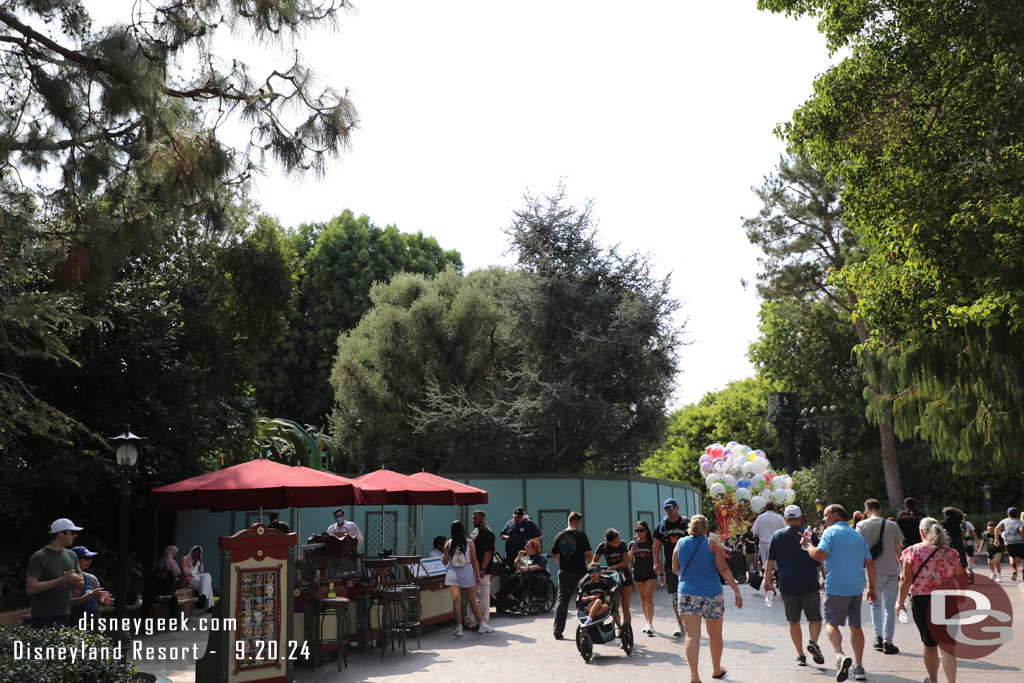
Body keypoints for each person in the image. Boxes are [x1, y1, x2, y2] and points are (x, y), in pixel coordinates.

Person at [806, 504, 877, 683]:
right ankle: (859, 667)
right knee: (855, 626)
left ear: (836, 515)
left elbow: (818, 555)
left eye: (826, 515)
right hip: (856, 586)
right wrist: (873, 587)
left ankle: (839, 655)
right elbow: (870, 563)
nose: (824, 519)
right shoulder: (857, 535)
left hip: (835, 586)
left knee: (831, 623)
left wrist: (808, 545)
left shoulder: (830, 532)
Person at [896, 517, 968, 683]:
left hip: (922, 601)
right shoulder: (951, 553)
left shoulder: (912, 551)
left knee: (929, 644)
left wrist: (900, 603)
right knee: (948, 647)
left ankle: (933, 680)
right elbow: (961, 576)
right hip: (946, 600)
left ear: (922, 532)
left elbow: (905, 580)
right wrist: (962, 595)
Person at [672, 514, 743, 683]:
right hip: (712, 594)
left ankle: (694, 675)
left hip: (687, 593)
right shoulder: (713, 544)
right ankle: (716, 669)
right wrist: (736, 590)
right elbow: (723, 569)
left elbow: (675, 569)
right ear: (705, 529)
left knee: (691, 636)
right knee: (715, 635)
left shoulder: (680, 543)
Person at [763, 505, 825, 668]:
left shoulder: (777, 535)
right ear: (801, 518)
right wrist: (825, 577)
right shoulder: (810, 534)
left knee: (793, 620)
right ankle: (813, 642)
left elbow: (770, 561)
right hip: (809, 582)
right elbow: (820, 558)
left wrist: (767, 580)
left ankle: (800, 655)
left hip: (787, 583)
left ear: (785, 519)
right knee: (815, 617)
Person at [855, 498, 905, 655]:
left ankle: (877, 637)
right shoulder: (892, 525)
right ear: (880, 509)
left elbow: (857, 549)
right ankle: (888, 641)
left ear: (866, 510)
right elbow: (899, 551)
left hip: (873, 573)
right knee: (889, 608)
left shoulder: (861, 526)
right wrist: (903, 570)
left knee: (875, 605)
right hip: (891, 571)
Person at [25, 518, 85, 628]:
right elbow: (31, 588)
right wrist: (62, 580)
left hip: (65, 614)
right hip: (42, 616)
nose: (75, 536)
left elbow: (81, 584)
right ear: (60, 533)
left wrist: (75, 580)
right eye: (72, 532)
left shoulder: (72, 556)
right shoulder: (39, 557)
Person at [443, 520, 494, 635]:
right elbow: (474, 561)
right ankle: (482, 624)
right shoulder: (469, 542)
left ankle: (459, 628)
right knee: (472, 600)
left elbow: (445, 561)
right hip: (466, 571)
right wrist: (477, 575)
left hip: (452, 573)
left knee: (457, 601)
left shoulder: (448, 543)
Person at [549, 510, 592, 640]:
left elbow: (554, 554)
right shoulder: (581, 536)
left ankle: (558, 630)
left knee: (562, 601)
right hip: (580, 573)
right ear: (577, 522)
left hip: (564, 572)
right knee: (585, 600)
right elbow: (588, 555)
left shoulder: (559, 535)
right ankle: (587, 627)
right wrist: (593, 566)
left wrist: (562, 564)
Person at [652, 498, 689, 636]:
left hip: (687, 565)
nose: (670, 510)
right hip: (671, 566)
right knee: (675, 595)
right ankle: (680, 624)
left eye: (672, 507)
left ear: (677, 507)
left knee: (689, 593)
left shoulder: (686, 523)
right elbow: (656, 545)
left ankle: (690, 622)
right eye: (667, 508)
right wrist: (656, 562)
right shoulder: (662, 526)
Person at [593, 528, 633, 624]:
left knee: (625, 606)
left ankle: (626, 629)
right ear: (608, 542)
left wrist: (612, 567)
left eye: (618, 540)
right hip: (612, 580)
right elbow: (594, 562)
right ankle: (618, 625)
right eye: (615, 542)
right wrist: (596, 571)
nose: (618, 543)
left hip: (624, 577)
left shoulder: (622, 544)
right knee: (614, 606)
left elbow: (625, 563)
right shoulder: (602, 547)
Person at [69, 546, 113, 628]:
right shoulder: (67, 579)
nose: (90, 560)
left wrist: (103, 599)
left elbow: (97, 599)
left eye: (90, 558)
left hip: (92, 624)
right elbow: (69, 603)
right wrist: (91, 595)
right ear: (76, 560)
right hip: (72, 625)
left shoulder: (92, 579)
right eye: (86, 558)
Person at [466, 509, 495, 628]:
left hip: (483, 571)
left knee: (483, 597)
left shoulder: (488, 534)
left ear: (482, 519)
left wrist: (482, 569)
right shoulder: (475, 532)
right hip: (472, 569)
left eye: (475, 518)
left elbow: (488, 553)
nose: (473, 520)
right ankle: (470, 621)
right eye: (473, 518)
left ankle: (484, 622)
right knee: (472, 597)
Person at [630, 520, 658, 636]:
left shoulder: (651, 543)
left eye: (641, 530)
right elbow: (629, 560)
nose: (639, 532)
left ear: (646, 531)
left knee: (648, 596)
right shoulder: (633, 543)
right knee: (642, 598)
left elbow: (656, 557)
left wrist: (660, 572)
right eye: (637, 530)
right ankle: (647, 622)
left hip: (650, 574)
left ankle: (650, 624)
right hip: (638, 574)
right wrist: (631, 553)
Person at [501, 506, 541, 571]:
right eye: (515, 517)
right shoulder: (510, 523)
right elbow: (502, 534)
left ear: (523, 516)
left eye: (519, 517)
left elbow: (539, 536)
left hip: (524, 555)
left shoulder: (529, 523)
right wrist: (505, 537)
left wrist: (530, 543)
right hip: (510, 554)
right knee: (510, 572)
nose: (517, 519)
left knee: (523, 571)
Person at [751, 502, 787, 574]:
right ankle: (778, 579)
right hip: (777, 542)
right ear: (774, 508)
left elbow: (755, 533)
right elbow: (786, 529)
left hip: (764, 543)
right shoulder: (779, 517)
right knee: (777, 562)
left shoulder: (760, 517)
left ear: (765, 508)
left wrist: (755, 544)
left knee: (766, 563)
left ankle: (768, 579)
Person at [180, 545, 215, 611]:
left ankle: (203, 596)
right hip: (189, 580)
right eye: (194, 553)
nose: (195, 555)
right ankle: (210, 605)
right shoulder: (185, 559)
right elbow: (186, 574)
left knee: (207, 575)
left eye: (197, 554)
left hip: (196, 578)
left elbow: (201, 572)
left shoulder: (197, 560)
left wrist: (201, 563)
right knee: (208, 585)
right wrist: (194, 564)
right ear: (191, 551)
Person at [994, 507, 1024, 581]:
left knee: (1012, 556)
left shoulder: (1004, 521)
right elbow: (1021, 530)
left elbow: (997, 528)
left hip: (1009, 542)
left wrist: (996, 539)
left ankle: (1014, 570)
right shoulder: (1020, 522)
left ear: (1008, 514)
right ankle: (1023, 575)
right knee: (1022, 559)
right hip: (1019, 541)